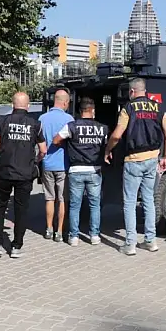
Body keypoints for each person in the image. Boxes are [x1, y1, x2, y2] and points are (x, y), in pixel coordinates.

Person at [105, 78, 166, 256]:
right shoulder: (158, 107)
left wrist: (107, 150)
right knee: (148, 199)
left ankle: (130, 244)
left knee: (129, 202)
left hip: (133, 160)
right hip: (152, 159)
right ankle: (150, 241)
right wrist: (165, 157)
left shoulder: (128, 108)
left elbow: (117, 135)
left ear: (132, 92)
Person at [0, 92, 47, 258]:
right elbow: (43, 149)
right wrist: (36, 160)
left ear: (12, 105)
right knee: (21, 210)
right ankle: (16, 246)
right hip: (25, 174)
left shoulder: (2, 121)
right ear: (28, 106)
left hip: (3, 172)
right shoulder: (35, 124)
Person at [52, 97, 108, 246]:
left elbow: (56, 140)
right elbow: (107, 145)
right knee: (95, 205)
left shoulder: (71, 126)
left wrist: (66, 146)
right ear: (92, 110)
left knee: (75, 205)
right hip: (94, 170)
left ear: (80, 111)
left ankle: (74, 237)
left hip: (76, 170)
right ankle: (94, 235)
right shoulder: (102, 128)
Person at [38, 89, 74, 243]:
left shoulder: (42, 118)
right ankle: (59, 231)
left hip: (47, 163)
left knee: (49, 198)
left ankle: (48, 229)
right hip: (63, 164)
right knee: (62, 199)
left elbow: (38, 140)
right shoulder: (69, 119)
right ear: (65, 102)